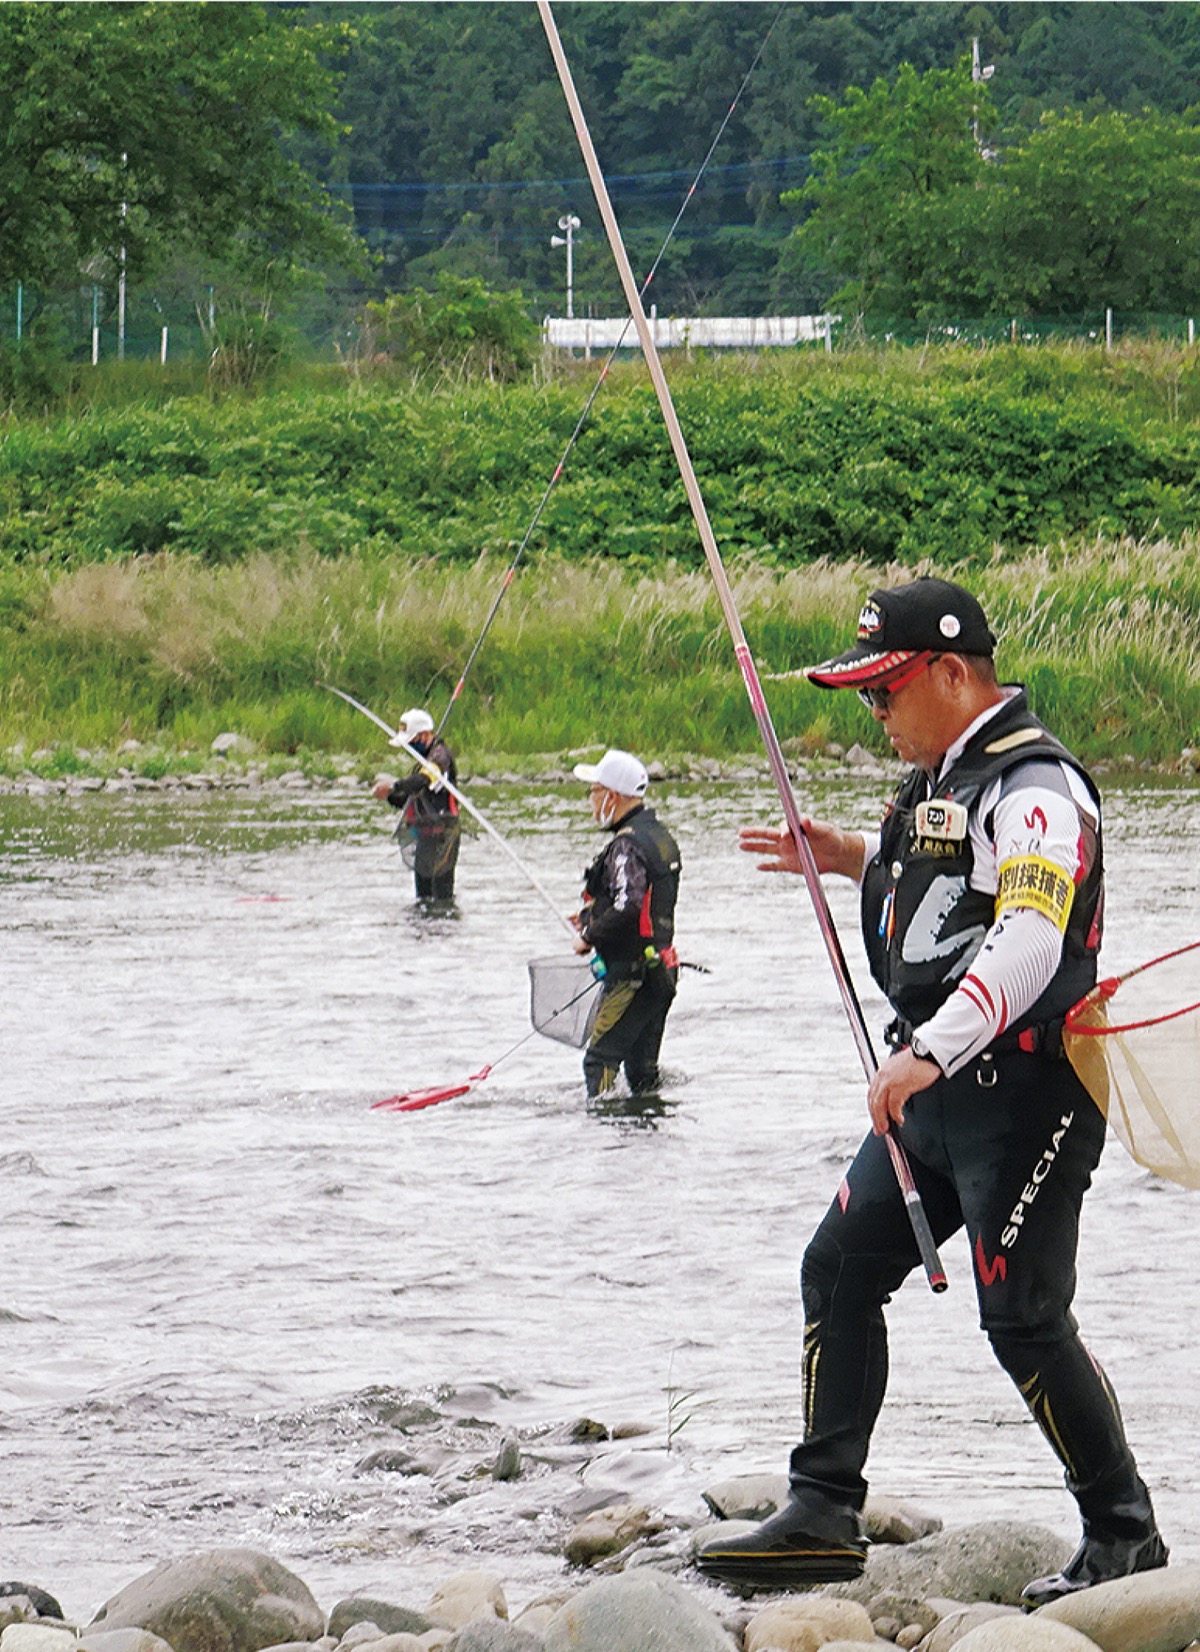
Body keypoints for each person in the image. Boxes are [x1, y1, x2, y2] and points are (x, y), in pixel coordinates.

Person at [697, 577, 1167, 1606]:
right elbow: (949, 880)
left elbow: (1032, 931)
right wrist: (849, 855)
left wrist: (929, 1052)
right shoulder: (944, 773)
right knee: (838, 1265)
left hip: (1027, 1094)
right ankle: (822, 1508)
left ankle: (1125, 1532)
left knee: (1023, 1317)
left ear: (952, 674)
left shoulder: (1040, 787)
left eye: (885, 691)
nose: (874, 713)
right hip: (936, 1091)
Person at [570, 748, 682, 1098]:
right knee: (640, 1072)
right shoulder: (659, 835)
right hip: (661, 970)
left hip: (633, 975)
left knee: (599, 1062)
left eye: (594, 791)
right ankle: (645, 1142)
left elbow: (629, 905)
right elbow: (641, 900)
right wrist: (592, 915)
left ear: (613, 796)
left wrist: (588, 934)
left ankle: (605, 1147)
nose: (590, 800)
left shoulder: (625, 845)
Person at [373, 708, 461, 902]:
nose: (409, 747)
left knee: (440, 898)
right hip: (424, 836)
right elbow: (406, 799)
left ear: (423, 736)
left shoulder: (440, 758)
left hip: (442, 838)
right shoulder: (422, 762)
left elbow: (422, 781)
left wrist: (394, 785)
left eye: (411, 741)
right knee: (423, 897)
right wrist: (389, 795)